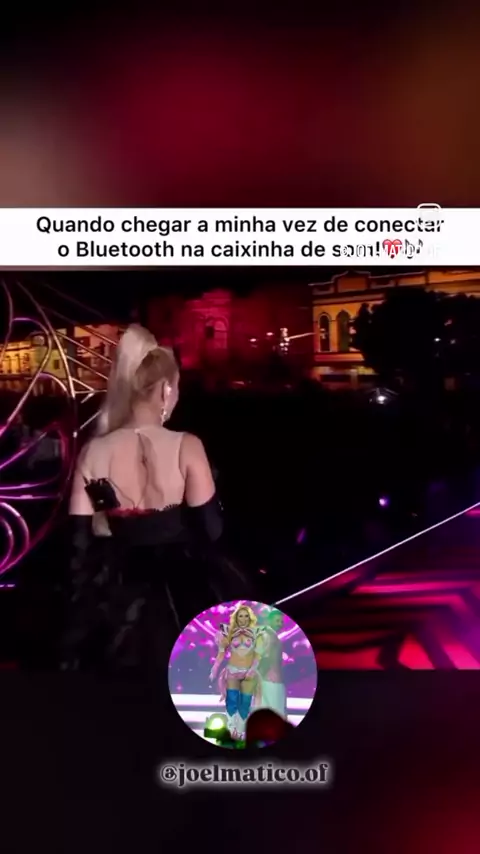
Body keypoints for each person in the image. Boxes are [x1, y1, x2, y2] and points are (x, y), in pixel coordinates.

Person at [64, 324, 250, 672]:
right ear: (165, 389)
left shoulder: (93, 451)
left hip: (118, 592)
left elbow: (78, 543)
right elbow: (211, 530)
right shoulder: (187, 446)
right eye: (177, 387)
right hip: (184, 588)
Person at [209, 604, 265, 740]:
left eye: (246, 616)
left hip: (249, 673)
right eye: (240, 616)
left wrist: (253, 669)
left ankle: (240, 731)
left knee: (245, 702)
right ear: (236, 617)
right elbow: (221, 653)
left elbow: (258, 656)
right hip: (232, 671)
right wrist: (214, 668)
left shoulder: (258, 633)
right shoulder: (227, 632)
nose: (243, 619)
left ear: (250, 618)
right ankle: (231, 729)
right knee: (231, 700)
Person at [256, 608, 287, 718]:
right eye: (277, 621)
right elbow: (261, 657)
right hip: (269, 682)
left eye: (281, 621)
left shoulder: (271, 635)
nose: (280, 624)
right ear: (268, 620)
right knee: (273, 715)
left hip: (271, 682)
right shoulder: (268, 635)